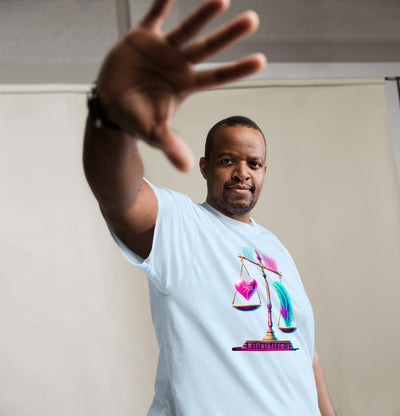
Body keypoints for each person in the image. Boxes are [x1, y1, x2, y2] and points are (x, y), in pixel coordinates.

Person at [83, 0, 336, 414]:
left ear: (264, 171)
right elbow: (119, 196)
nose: (242, 172)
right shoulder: (184, 226)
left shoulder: (275, 249)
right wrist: (112, 118)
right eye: (227, 160)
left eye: (253, 164)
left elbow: (305, 351)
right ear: (205, 167)